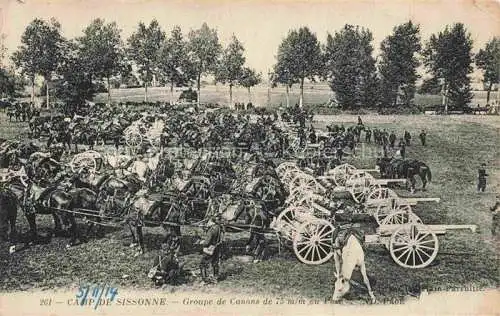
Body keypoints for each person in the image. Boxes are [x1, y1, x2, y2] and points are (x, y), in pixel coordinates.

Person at [198, 215, 224, 284]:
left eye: (208, 221)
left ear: (211, 221)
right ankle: (215, 278)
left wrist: (202, 242)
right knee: (215, 263)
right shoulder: (218, 227)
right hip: (216, 247)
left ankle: (205, 280)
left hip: (209, 249)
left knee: (202, 264)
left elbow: (207, 242)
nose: (207, 223)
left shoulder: (211, 230)